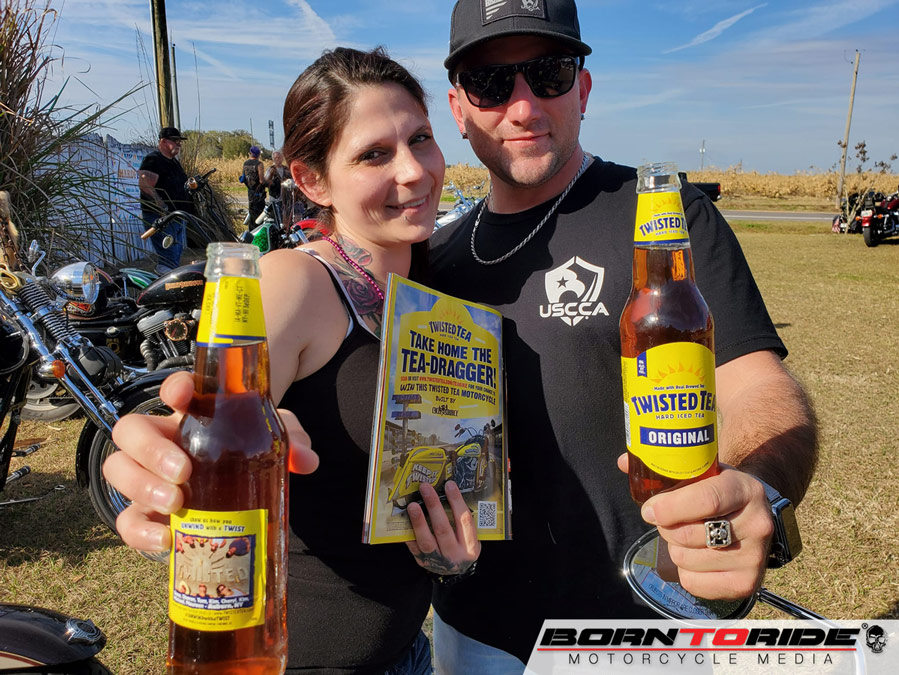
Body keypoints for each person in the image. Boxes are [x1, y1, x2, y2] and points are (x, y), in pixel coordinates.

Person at [421, 0, 818, 671]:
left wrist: (755, 488)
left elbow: (759, 388)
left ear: (583, 89)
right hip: (472, 633)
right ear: (459, 109)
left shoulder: (663, 216)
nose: (523, 106)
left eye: (548, 74)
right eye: (491, 83)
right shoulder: (436, 257)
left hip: (635, 631)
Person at [103, 47, 479, 674]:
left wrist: (450, 554)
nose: (414, 171)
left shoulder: (434, 294)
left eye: (420, 139)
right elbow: (214, 429)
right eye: (374, 154)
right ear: (311, 181)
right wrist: (167, 466)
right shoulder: (294, 281)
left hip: (407, 652)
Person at [138, 127, 194, 273]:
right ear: (163, 141)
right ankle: (165, 281)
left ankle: (170, 280)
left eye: (180, 141)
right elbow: (144, 182)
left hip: (177, 216)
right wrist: (160, 204)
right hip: (161, 217)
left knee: (175, 253)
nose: (178, 144)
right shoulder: (153, 160)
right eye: (175, 141)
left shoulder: (174, 162)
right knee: (168, 256)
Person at [240, 145, 267, 225]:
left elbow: (243, 178)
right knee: (259, 215)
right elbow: (261, 180)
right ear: (258, 155)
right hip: (259, 193)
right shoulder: (259, 164)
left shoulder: (245, 164)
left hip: (250, 192)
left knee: (252, 213)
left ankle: (252, 230)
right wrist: (269, 182)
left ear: (250, 153)